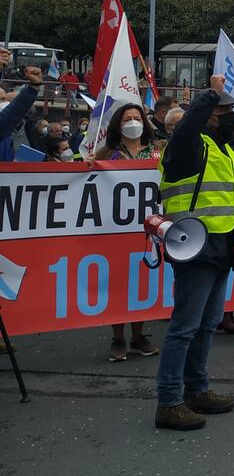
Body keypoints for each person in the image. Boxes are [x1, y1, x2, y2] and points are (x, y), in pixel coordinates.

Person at [154, 75, 234, 431]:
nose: (230, 116)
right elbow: (187, 127)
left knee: (207, 324)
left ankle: (197, 389)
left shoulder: (223, 149)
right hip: (195, 245)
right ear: (206, 114)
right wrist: (209, 94)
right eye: (223, 110)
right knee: (185, 327)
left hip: (221, 243)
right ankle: (169, 400)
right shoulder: (188, 145)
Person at [93, 103, 161, 362]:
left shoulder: (157, 151)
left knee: (141, 280)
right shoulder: (110, 153)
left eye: (136, 118)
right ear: (117, 126)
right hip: (115, 227)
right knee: (118, 282)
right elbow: (93, 168)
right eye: (127, 119)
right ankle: (118, 337)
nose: (133, 123)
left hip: (147, 226)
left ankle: (138, 335)